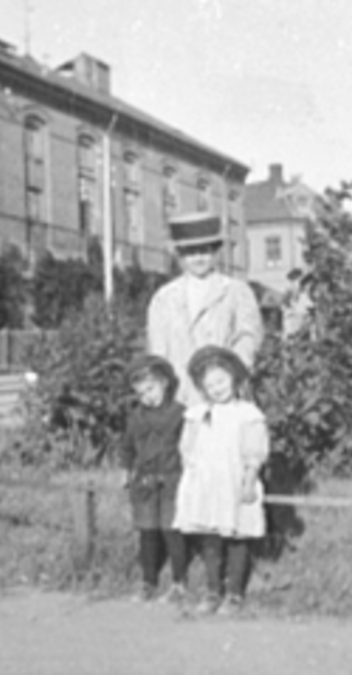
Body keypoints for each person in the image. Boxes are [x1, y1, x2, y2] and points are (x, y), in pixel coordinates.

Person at [172, 346, 270, 615]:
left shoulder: (247, 413)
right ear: (202, 388)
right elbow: (187, 449)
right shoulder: (197, 414)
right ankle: (212, 590)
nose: (217, 388)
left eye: (221, 381)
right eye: (210, 384)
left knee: (238, 536)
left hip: (234, 482)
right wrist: (192, 479)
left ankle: (235, 593)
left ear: (234, 378)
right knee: (211, 538)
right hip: (206, 484)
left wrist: (249, 480)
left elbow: (254, 451)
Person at [147, 212, 263, 407]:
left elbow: (248, 338)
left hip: (224, 395)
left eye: (205, 251)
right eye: (191, 252)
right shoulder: (164, 298)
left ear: (215, 251)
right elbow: (158, 350)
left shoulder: (235, 292)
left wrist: (230, 377)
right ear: (180, 255)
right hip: (181, 398)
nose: (198, 258)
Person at [117, 355, 189, 603]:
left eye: (151, 389)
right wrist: (126, 469)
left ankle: (179, 583)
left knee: (172, 531)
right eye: (141, 392)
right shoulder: (136, 417)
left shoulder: (179, 414)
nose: (147, 396)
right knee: (147, 532)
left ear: (165, 383)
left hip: (172, 480)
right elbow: (127, 446)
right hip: (145, 483)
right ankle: (148, 581)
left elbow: (189, 447)